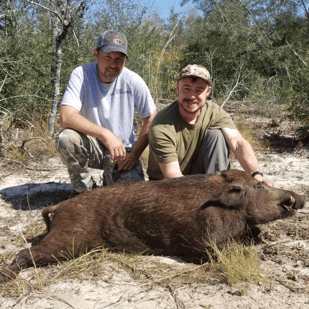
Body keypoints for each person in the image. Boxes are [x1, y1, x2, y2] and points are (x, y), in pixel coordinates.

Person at [56, 30, 156, 193]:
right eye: (107, 57)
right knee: (66, 138)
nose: (113, 64)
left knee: (131, 198)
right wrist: (105, 134)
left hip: (123, 152)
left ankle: (110, 180)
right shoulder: (81, 74)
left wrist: (135, 154)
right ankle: (84, 190)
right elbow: (66, 116)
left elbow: (151, 118)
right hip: (93, 145)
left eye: (119, 59)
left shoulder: (133, 80)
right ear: (96, 54)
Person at [147, 63, 271, 186]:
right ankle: (215, 192)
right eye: (187, 89)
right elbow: (172, 175)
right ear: (178, 88)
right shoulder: (161, 125)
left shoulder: (214, 112)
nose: (192, 96)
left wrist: (256, 174)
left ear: (208, 92)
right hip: (166, 185)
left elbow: (237, 142)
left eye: (199, 90)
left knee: (216, 135)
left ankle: (218, 188)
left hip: (197, 176)